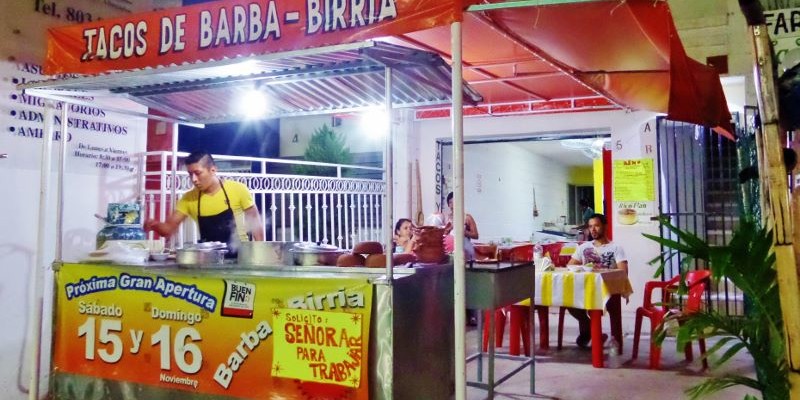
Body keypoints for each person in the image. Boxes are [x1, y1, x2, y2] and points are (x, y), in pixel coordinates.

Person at [144, 151, 264, 254]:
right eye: (190, 174)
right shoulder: (188, 198)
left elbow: (256, 224)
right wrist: (153, 224)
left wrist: (260, 254)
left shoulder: (238, 189)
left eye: (198, 173)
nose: (194, 179)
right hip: (209, 260)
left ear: (213, 170)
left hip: (240, 257)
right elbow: (168, 230)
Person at [566, 213, 628, 348]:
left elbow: (623, 272)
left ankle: (590, 333)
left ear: (605, 227)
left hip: (608, 290)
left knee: (593, 304)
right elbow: (571, 266)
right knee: (569, 302)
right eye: (590, 226)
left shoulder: (616, 248)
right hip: (585, 289)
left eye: (596, 226)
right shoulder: (583, 247)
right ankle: (590, 330)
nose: (593, 230)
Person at [444, 191, 479, 261]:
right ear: (448, 204)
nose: (452, 205)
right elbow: (443, 236)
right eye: (450, 202)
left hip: (465, 249)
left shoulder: (467, 217)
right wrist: (448, 230)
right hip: (450, 250)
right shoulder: (446, 218)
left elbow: (476, 235)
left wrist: (463, 231)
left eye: (454, 202)